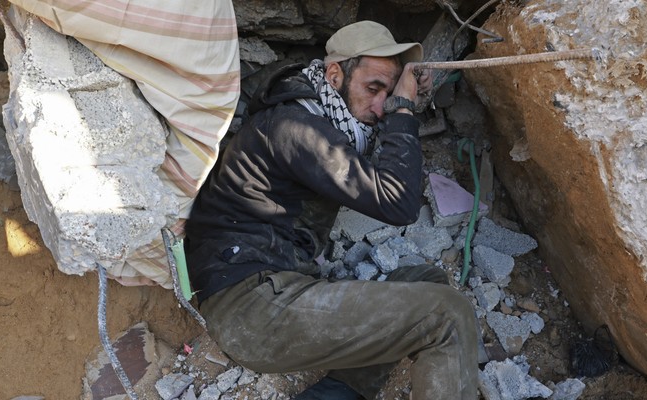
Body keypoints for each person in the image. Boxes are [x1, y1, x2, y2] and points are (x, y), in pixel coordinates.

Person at [186, 21, 480, 399]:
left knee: (428, 280)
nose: (381, 106)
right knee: (448, 315)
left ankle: (335, 395)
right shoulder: (294, 127)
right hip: (249, 308)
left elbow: (380, 177)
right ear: (335, 75)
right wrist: (403, 111)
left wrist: (404, 104)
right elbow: (398, 201)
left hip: (278, 289)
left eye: (389, 93)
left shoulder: (321, 120)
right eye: (372, 89)